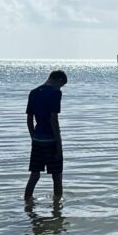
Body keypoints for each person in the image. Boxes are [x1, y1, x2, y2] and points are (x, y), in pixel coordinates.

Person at [24, 69, 68, 200]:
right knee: (57, 176)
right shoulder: (56, 93)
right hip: (51, 140)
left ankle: (27, 203)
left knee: (34, 174)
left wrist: (33, 137)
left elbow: (29, 119)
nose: (61, 88)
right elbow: (53, 120)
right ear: (59, 80)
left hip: (37, 139)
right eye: (62, 85)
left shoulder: (33, 92)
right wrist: (59, 145)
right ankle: (57, 209)